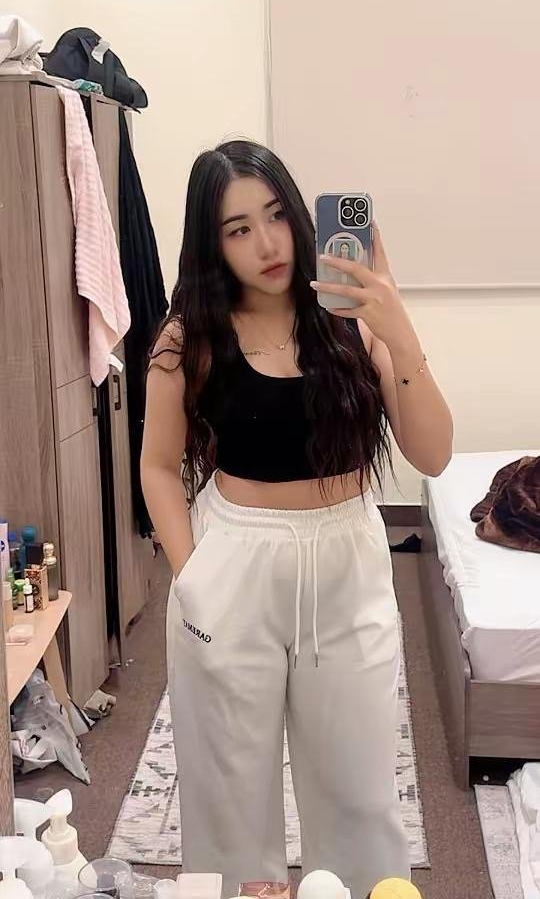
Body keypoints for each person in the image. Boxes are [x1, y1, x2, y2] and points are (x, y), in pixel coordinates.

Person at [141, 140, 453, 899]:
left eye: (277, 215)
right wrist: (193, 579)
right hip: (234, 561)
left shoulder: (353, 322)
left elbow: (435, 454)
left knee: (359, 788)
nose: (268, 243)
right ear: (212, 243)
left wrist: (397, 325)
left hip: (346, 561)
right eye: (238, 228)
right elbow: (157, 467)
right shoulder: (189, 337)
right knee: (228, 792)